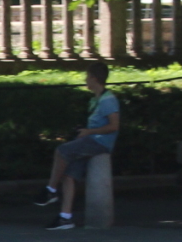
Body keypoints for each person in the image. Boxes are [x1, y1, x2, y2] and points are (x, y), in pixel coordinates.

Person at [33, 61, 119, 231]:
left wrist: (88, 132)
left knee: (62, 151)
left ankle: (51, 190)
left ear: (94, 78)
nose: (85, 80)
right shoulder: (96, 99)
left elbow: (114, 126)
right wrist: (85, 131)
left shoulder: (108, 100)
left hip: (100, 142)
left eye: (87, 77)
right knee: (69, 175)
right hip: (92, 139)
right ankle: (65, 217)